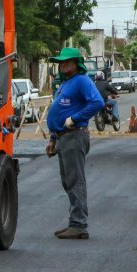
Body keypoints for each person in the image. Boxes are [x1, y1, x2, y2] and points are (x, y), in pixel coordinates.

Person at [45, 47, 105, 240]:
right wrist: (53, 139)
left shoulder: (82, 81)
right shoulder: (66, 83)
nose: (63, 64)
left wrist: (75, 118)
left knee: (75, 180)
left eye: (67, 61)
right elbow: (59, 112)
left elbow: (97, 103)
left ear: (77, 63)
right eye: (61, 62)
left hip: (74, 135)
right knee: (68, 180)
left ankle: (79, 225)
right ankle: (75, 222)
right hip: (63, 136)